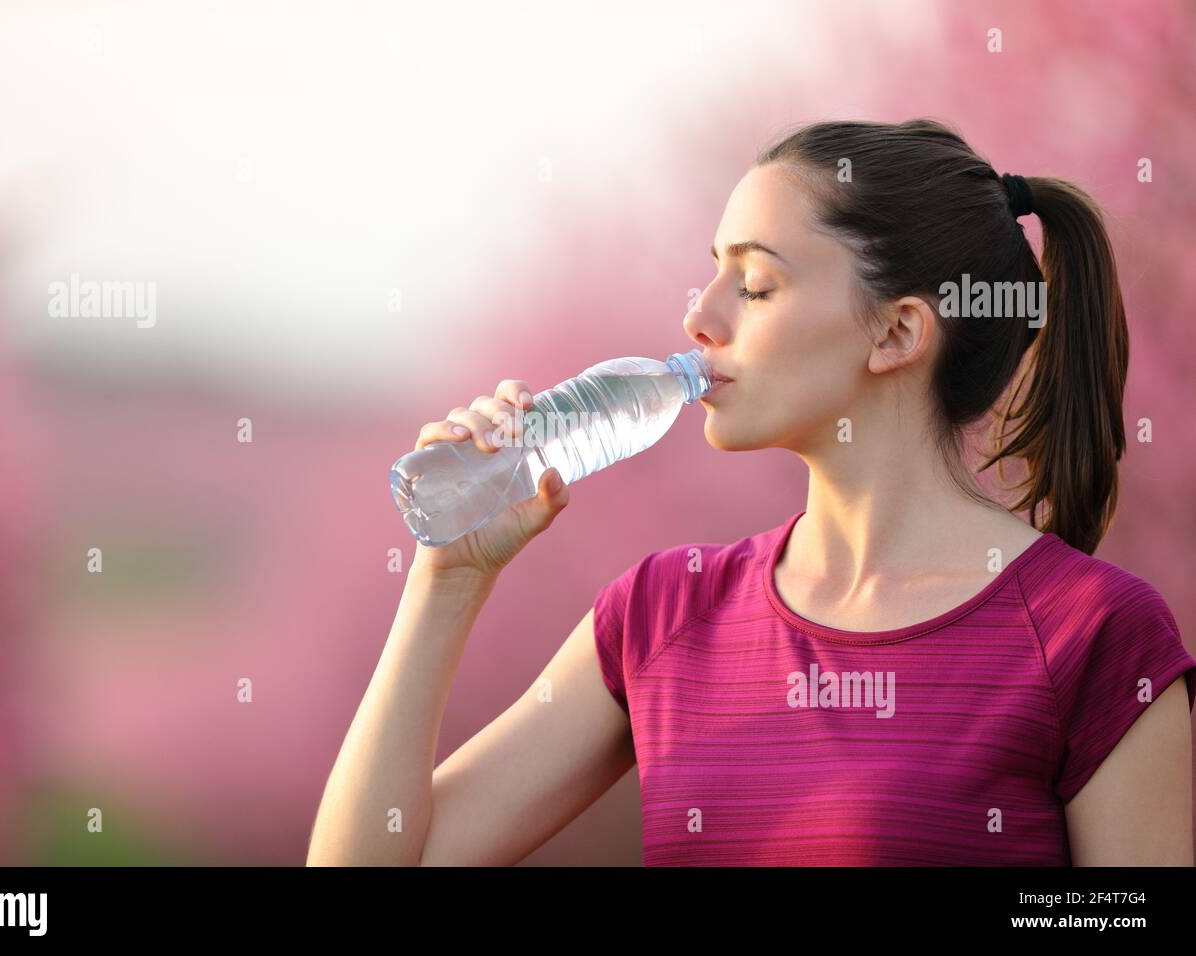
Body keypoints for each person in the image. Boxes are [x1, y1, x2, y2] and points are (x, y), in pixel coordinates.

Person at [307, 118, 1196, 866]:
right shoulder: (662, 612)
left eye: (756, 283)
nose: (701, 314)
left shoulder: (1093, 633)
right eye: (712, 271)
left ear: (895, 333)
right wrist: (445, 582)